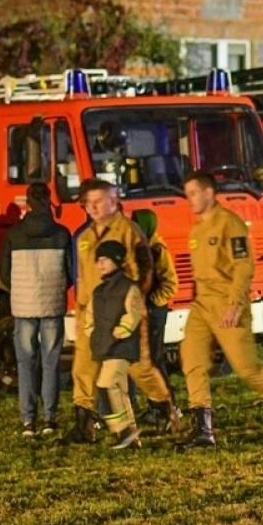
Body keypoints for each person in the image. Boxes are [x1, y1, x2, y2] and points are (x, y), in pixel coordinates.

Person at [178, 170, 263, 448]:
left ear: (209, 193)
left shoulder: (230, 224)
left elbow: (243, 267)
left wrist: (233, 306)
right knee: (192, 360)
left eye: (193, 193)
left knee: (246, 368)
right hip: (202, 305)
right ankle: (203, 429)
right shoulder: (197, 229)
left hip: (227, 303)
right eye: (187, 194)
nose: (189, 199)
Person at [67, 179, 175, 444]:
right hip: (93, 314)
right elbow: (83, 278)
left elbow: (145, 270)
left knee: (140, 369)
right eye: (88, 203)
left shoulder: (129, 231)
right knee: (83, 367)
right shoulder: (85, 237)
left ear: (113, 202)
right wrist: (81, 312)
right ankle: (83, 425)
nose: (93, 207)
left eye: (98, 201)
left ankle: (164, 407)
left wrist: (135, 306)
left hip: (123, 313)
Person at [0, 182, 73, 438]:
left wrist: (20, 289)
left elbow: (4, 273)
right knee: (51, 362)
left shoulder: (14, 233)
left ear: (28, 203)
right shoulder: (62, 233)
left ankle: (27, 421)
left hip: (23, 306)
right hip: (52, 304)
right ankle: (49, 418)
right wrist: (59, 287)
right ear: (49, 200)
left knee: (25, 363)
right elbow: (71, 272)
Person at [86, 240, 146, 450]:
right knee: (120, 391)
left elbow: (133, 314)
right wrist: (93, 333)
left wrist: (120, 332)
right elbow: (90, 316)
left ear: (117, 261)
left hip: (121, 347)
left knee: (106, 384)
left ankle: (122, 431)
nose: (100, 264)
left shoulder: (129, 287)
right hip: (105, 347)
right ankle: (131, 435)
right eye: (98, 260)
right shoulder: (98, 291)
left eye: (106, 259)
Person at [131, 208, 180, 434]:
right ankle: (156, 407)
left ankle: (168, 407)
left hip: (155, 311)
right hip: (146, 310)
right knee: (147, 360)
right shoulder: (143, 247)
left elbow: (171, 284)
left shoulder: (158, 249)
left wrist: (152, 302)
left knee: (155, 360)